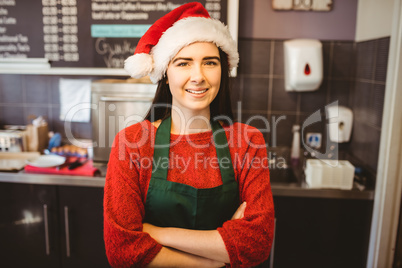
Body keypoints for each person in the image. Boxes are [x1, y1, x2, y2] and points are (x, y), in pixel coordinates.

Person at [103, 2, 275, 267]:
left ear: (223, 70)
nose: (198, 76)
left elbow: (257, 244)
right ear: (165, 73)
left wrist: (158, 233)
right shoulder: (132, 143)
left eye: (210, 62)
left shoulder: (247, 141)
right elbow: (122, 251)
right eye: (184, 63)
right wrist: (210, 261)